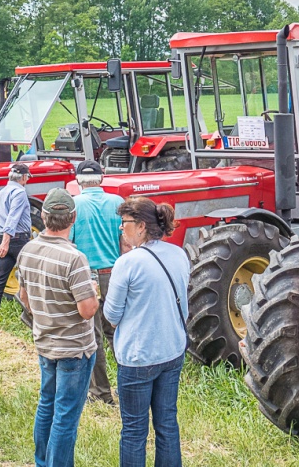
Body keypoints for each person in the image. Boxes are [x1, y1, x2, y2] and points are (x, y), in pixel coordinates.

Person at [16, 188, 98, 467]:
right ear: (73, 218)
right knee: (65, 416)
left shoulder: (27, 250)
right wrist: (95, 291)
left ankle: (42, 462)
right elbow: (87, 311)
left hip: (45, 343)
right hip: (75, 349)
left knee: (46, 406)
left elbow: (24, 297)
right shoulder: (75, 259)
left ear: (43, 215)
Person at [104, 197, 189, 467]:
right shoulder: (178, 254)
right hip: (172, 349)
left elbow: (111, 315)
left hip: (137, 356)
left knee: (133, 431)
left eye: (124, 223)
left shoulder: (127, 263)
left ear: (141, 226)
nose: (121, 229)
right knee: (167, 424)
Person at [69, 160, 126, 405]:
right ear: (101, 179)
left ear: (78, 180)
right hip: (114, 273)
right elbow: (124, 243)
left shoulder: (75, 205)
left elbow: (69, 246)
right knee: (119, 332)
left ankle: (101, 392)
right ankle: (127, 388)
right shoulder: (117, 203)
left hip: (87, 276)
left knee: (93, 338)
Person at [0, 163, 32, 325]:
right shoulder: (20, 192)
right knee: (30, 278)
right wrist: (6, 241)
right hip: (17, 240)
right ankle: (32, 315)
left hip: (0, 236)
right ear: (23, 178)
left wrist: (1, 240)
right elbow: (13, 218)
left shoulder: (1, 193)